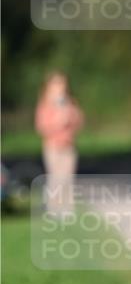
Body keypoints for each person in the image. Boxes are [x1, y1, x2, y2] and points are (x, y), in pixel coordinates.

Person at [35, 71, 85, 217]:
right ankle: (54, 208)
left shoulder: (69, 102)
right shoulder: (45, 104)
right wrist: (57, 121)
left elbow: (79, 120)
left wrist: (71, 115)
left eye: (62, 83)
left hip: (68, 145)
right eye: (56, 83)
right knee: (56, 177)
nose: (60, 87)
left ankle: (67, 209)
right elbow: (41, 126)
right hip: (52, 146)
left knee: (67, 177)